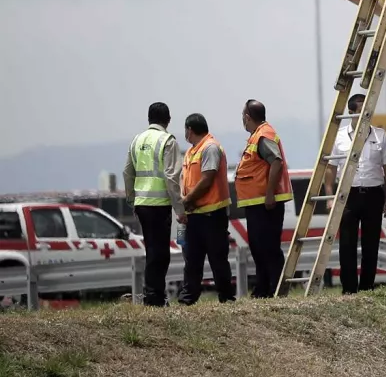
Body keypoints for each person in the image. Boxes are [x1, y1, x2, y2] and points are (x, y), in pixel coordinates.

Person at [325, 95, 386, 294]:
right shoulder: (338, 137)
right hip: (347, 196)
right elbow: (330, 169)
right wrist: (330, 196)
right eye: (361, 112)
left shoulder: (380, 135)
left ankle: (367, 288)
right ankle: (349, 289)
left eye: (368, 112)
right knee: (346, 244)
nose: (365, 116)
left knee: (370, 244)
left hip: (373, 195)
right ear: (351, 113)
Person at [122, 102, 185, 307]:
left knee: (152, 250)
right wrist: (179, 208)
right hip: (159, 204)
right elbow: (171, 177)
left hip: (142, 204)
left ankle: (152, 294)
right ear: (168, 119)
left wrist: (132, 199)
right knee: (160, 253)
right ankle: (155, 297)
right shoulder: (168, 140)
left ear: (149, 119)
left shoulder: (136, 140)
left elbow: (127, 172)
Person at [235, 99, 293, 298]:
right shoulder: (256, 136)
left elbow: (276, 161)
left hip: (265, 203)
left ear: (247, 117)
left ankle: (275, 289)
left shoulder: (263, 135)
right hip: (255, 202)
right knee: (259, 248)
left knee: (268, 248)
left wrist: (269, 194)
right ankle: (263, 289)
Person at [178, 114, 235, 304]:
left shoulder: (210, 147)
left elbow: (207, 178)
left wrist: (186, 200)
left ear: (189, 129)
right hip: (194, 215)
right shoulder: (190, 152)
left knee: (218, 259)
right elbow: (186, 180)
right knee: (192, 261)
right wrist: (185, 205)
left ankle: (226, 298)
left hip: (212, 216)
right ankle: (188, 299)